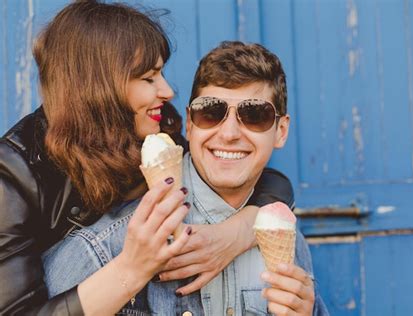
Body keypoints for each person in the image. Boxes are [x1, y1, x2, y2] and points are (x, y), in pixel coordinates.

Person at [0, 2, 295, 315]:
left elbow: (252, 176)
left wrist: (233, 234)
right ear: (101, 87)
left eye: (161, 73)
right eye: (149, 77)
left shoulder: (155, 133)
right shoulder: (14, 173)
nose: (167, 90)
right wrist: (132, 269)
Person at [43, 41, 329, 315]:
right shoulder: (112, 243)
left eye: (254, 115)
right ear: (190, 124)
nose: (229, 134)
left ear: (281, 131)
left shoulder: (289, 242)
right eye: (211, 112)